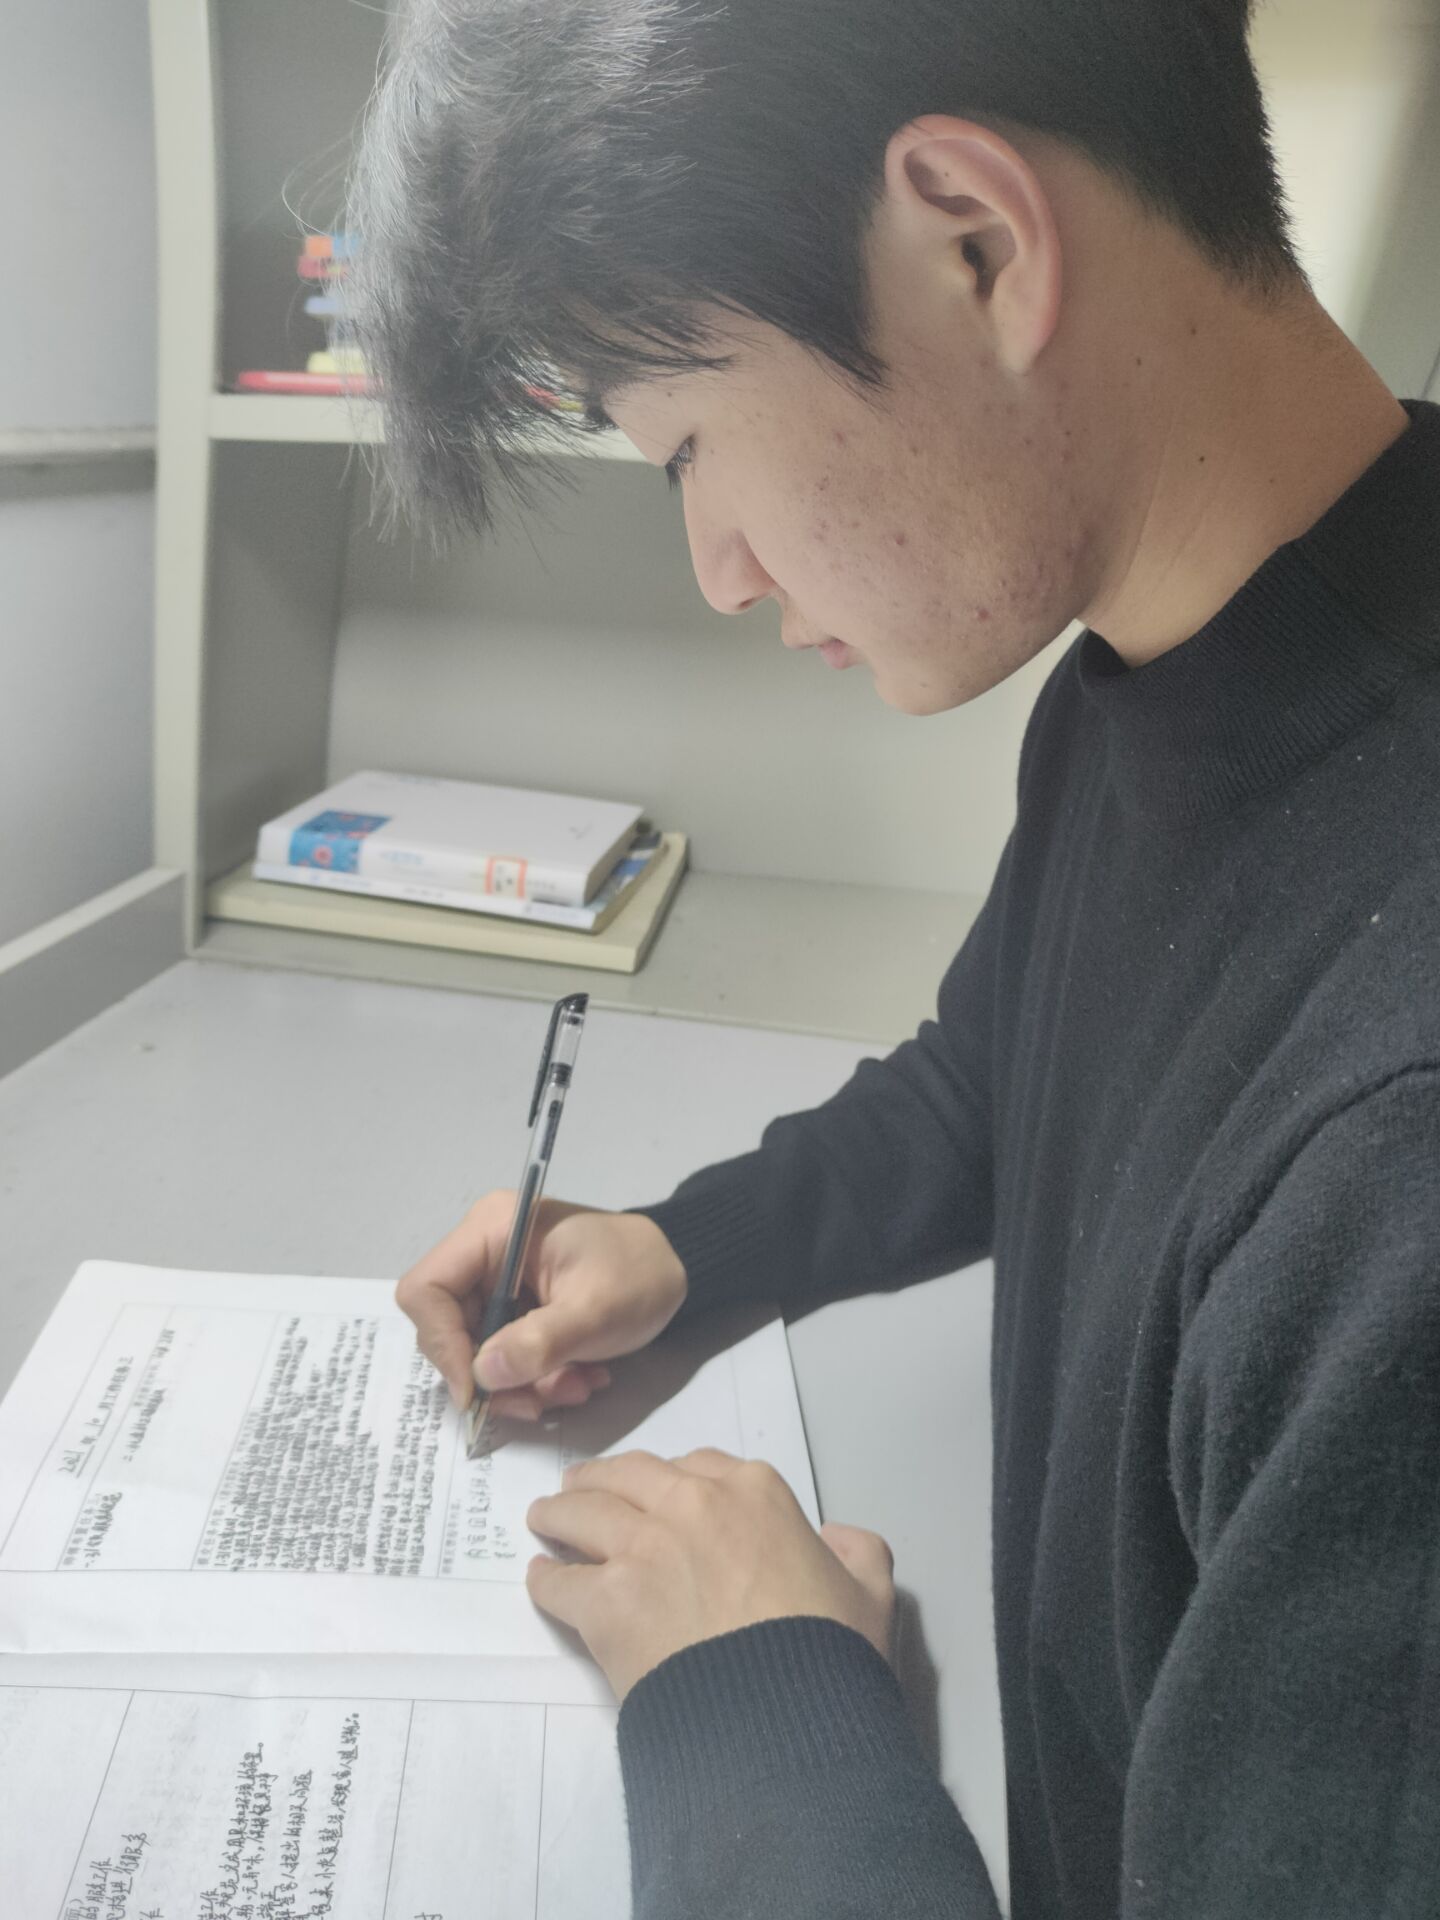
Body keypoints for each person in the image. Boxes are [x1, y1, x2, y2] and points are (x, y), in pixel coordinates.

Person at [347, 0, 1440, 1912]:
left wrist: (754, 1688)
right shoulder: (1173, 664)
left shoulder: (1401, 1148)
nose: (719, 569)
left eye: (686, 446)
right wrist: (695, 1249)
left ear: (977, 244)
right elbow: (1006, 1077)